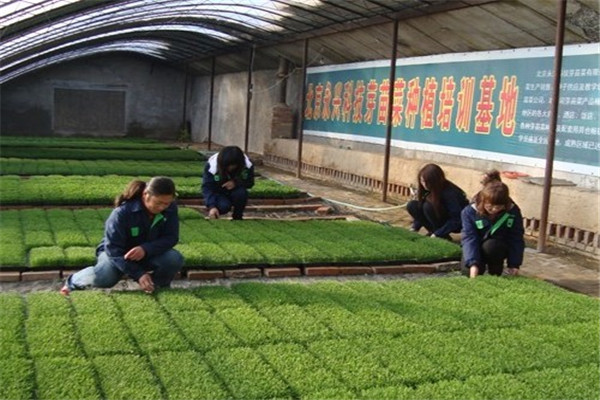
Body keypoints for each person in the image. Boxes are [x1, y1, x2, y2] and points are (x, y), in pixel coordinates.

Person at [61, 177, 183, 295]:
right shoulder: (122, 213)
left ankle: (158, 285)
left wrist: (145, 249)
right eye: (158, 203)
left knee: (174, 259)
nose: (162, 207)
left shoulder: (170, 208)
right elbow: (113, 250)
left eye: (166, 203)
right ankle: (74, 281)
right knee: (106, 277)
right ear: (145, 194)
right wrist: (139, 274)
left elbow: (171, 237)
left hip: (147, 252)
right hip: (117, 254)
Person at [461, 176, 525, 278]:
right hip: (477, 245)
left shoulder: (513, 211)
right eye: (490, 206)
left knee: (492, 246)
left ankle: (495, 270)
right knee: (468, 270)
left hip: (497, 247)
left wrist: (514, 264)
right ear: (483, 201)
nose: (494, 209)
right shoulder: (469, 211)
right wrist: (473, 263)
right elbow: (469, 237)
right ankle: (477, 264)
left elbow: (516, 238)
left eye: (499, 207)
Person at [406, 163, 468, 240]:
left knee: (428, 207)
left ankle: (439, 233)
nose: (424, 185)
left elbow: (457, 218)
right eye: (422, 181)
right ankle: (434, 231)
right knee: (412, 205)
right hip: (438, 217)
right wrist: (415, 227)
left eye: (427, 182)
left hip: (455, 223)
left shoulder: (450, 193)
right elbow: (420, 211)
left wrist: (439, 233)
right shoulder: (427, 189)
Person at [202, 145, 254, 220]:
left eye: (232, 165)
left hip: (236, 191)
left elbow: (250, 182)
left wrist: (235, 183)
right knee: (224, 206)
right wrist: (211, 206)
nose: (230, 168)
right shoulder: (211, 166)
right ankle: (215, 211)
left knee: (241, 193)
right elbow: (207, 187)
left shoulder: (247, 165)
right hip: (219, 192)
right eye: (228, 165)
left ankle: (238, 217)